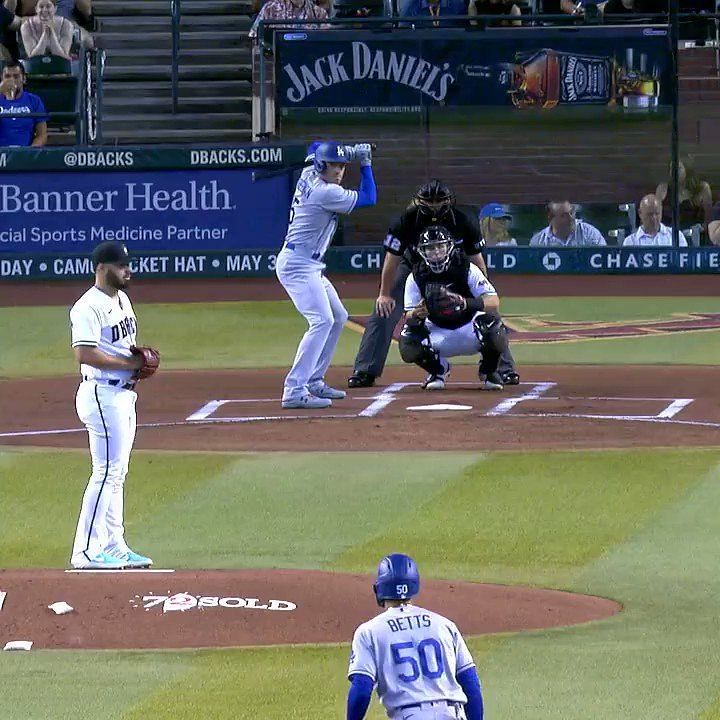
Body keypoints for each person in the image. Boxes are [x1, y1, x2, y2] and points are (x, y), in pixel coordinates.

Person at [347, 180, 519, 389]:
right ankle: (365, 370)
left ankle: (503, 368)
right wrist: (385, 294)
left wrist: (483, 291)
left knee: (488, 310)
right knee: (384, 308)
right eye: (430, 201)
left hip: (455, 263)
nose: (435, 206)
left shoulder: (463, 220)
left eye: (439, 201)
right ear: (419, 202)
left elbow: (476, 257)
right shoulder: (405, 220)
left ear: (448, 201)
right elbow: (392, 259)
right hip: (413, 263)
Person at [69, 241, 157, 570]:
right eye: (121, 266)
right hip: (101, 394)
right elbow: (85, 352)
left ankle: (114, 545)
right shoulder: (87, 307)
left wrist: (134, 362)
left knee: (117, 474)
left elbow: (125, 347)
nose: (127, 270)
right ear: (102, 268)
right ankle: (86, 551)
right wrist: (128, 365)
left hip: (123, 394)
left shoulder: (122, 299)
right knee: (105, 473)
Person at [277, 141, 377, 409]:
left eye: (343, 166)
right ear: (322, 165)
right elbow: (370, 197)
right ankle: (294, 389)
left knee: (338, 317)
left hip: (309, 264)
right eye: (335, 165)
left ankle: (313, 380)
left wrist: (347, 151)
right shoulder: (326, 192)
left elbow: (316, 145)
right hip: (298, 265)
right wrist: (364, 161)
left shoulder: (308, 172)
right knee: (321, 321)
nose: (340, 171)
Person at [346, 553, 484, 720]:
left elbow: (361, 690)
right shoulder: (444, 625)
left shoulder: (370, 631)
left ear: (379, 589)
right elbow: (471, 684)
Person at [400, 225, 506, 391]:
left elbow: (493, 301)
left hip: (469, 327)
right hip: (437, 331)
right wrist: (417, 313)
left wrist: (466, 303)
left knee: (495, 326)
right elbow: (409, 316)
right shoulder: (416, 276)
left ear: (448, 247)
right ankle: (438, 370)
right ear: (422, 251)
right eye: (430, 248)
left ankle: (489, 371)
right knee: (407, 340)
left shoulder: (466, 268)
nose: (436, 252)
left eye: (440, 246)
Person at [655, 157, 712, 236]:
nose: (674, 171)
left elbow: (709, 220)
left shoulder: (702, 188)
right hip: (668, 237)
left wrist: (700, 228)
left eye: (678, 168)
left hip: (694, 236)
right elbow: (654, 217)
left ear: (687, 169)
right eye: (672, 168)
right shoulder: (663, 188)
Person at [21, 0, 93, 60]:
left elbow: (87, 12)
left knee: (87, 41)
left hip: (68, 21)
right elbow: (25, 9)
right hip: (38, 21)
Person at [0, 61, 47, 146]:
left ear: (24, 79)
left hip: (24, 153)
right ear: (2, 79)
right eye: (7, 76)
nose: (12, 80)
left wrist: (29, 153)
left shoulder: (34, 100)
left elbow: (42, 135)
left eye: (16, 76)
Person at [529, 200, 606, 246]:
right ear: (551, 218)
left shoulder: (589, 233)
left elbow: (603, 260)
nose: (571, 218)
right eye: (564, 215)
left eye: (571, 213)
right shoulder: (538, 241)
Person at [622, 193, 686, 246]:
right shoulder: (630, 242)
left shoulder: (676, 236)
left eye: (657, 214)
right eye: (650, 214)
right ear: (640, 213)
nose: (654, 218)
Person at [249, 0, 328, 38]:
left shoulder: (319, 13)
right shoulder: (270, 9)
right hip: (276, 64)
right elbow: (254, 38)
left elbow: (327, 44)